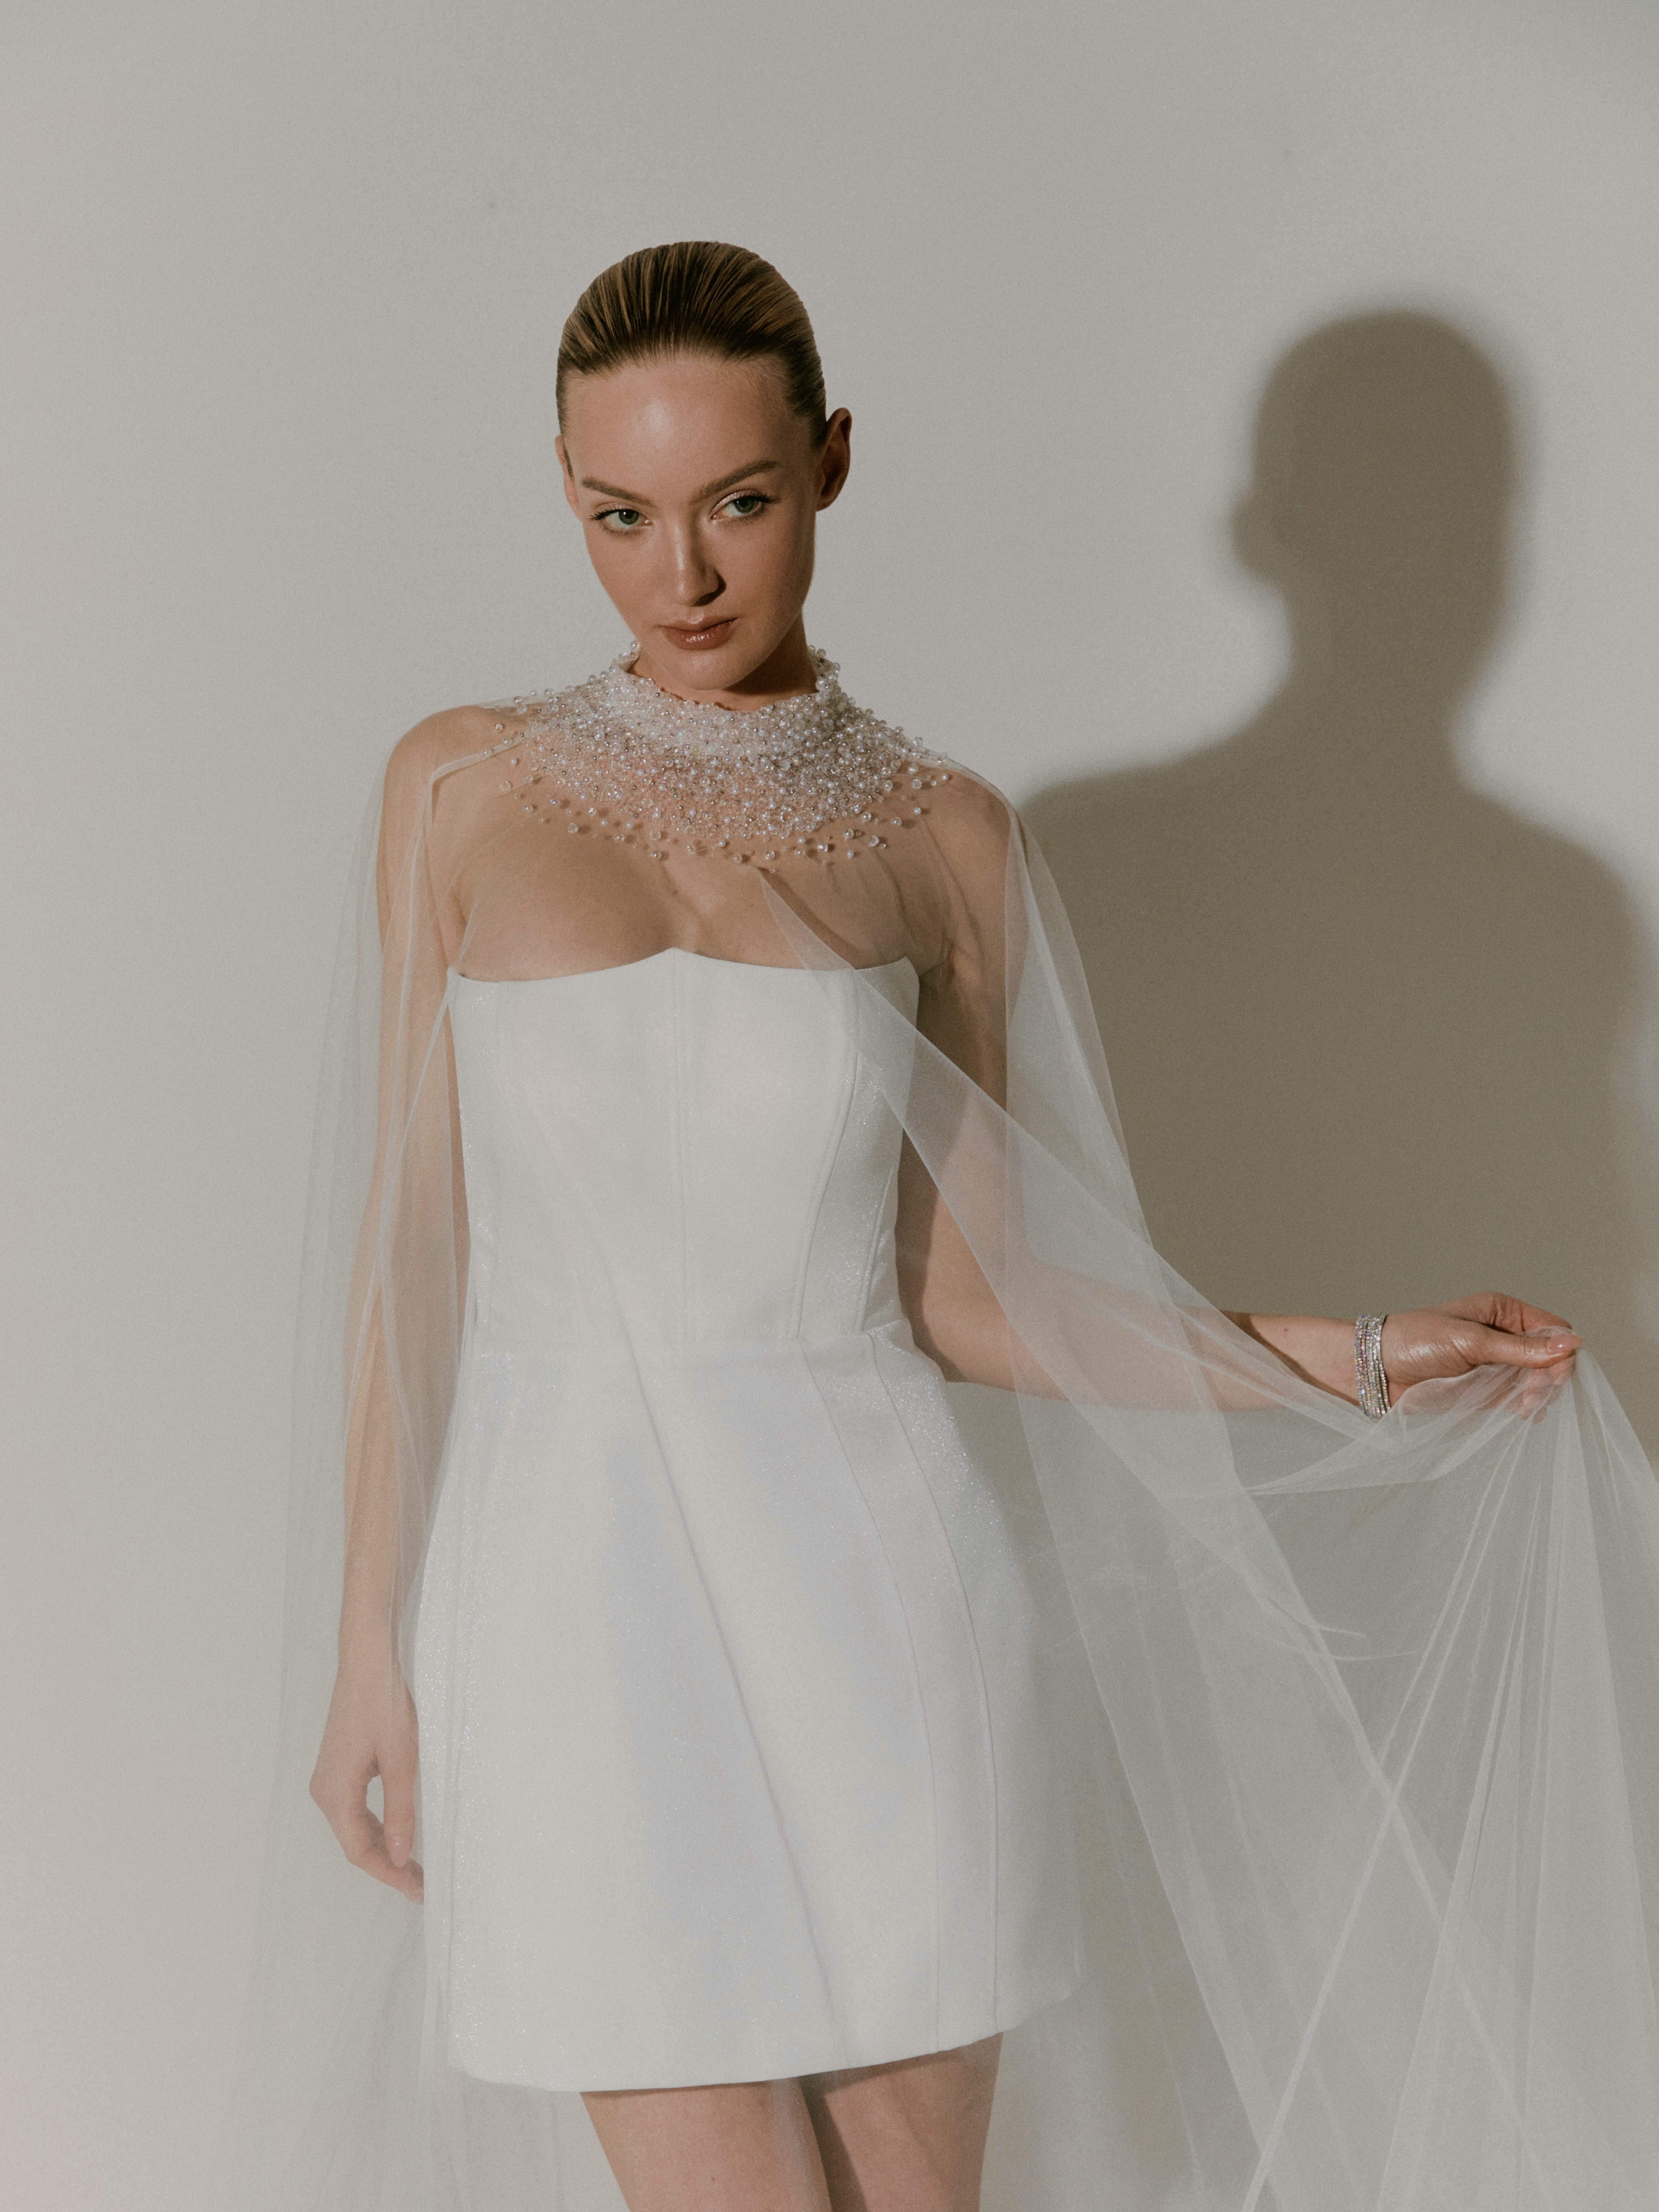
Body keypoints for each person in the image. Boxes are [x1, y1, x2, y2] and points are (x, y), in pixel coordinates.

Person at [232, 243, 1659, 2212]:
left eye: (738, 502)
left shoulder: (947, 836)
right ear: (563, 492)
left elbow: (983, 1299)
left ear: (829, 460)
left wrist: (1350, 1355)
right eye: (617, 515)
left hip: (879, 1611)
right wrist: (365, 1654)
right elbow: (413, 1258)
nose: (681, 576)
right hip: (568, 1620)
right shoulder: (456, 789)